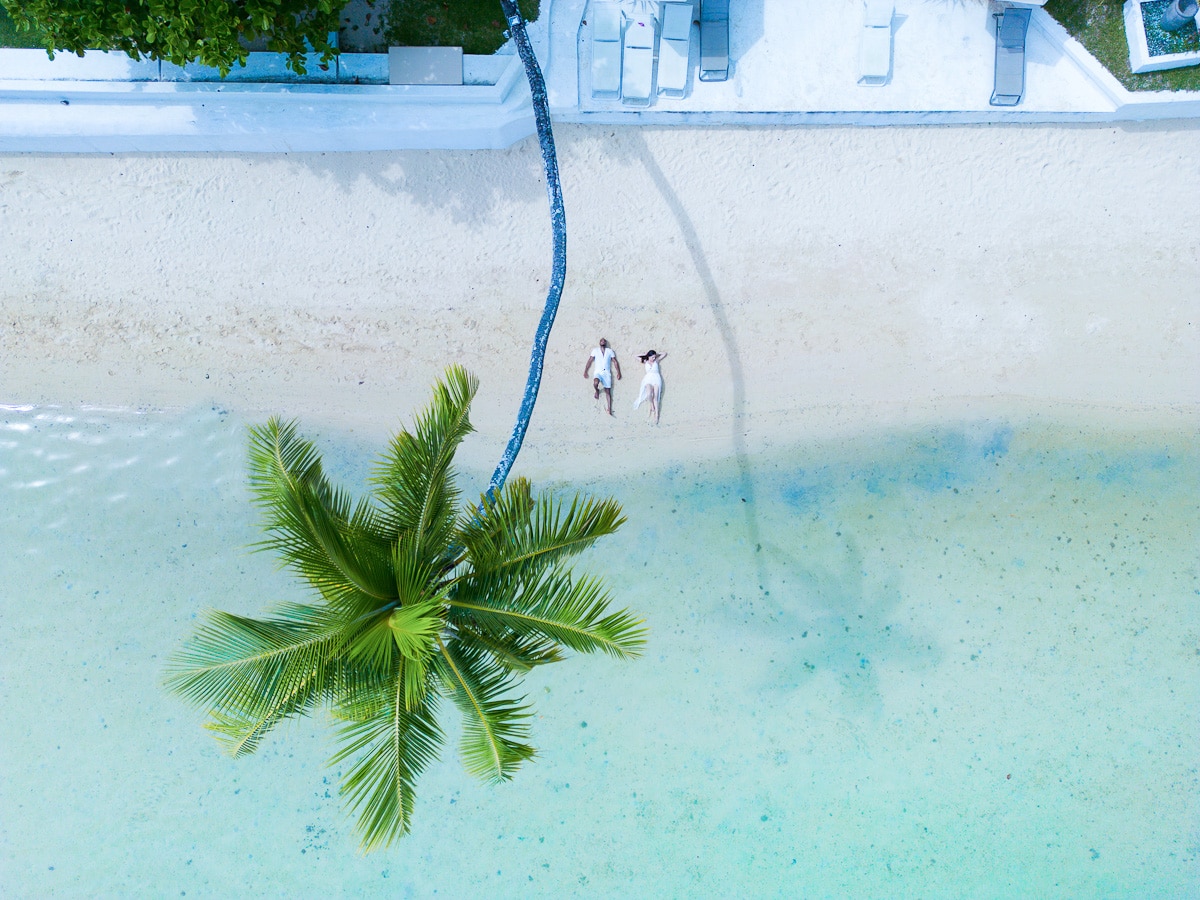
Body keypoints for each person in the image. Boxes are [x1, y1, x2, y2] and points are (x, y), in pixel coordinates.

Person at [583, 338, 621, 416]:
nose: (603, 341)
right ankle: (597, 391)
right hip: (598, 372)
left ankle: (609, 409)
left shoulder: (610, 351)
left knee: (608, 392)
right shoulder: (595, 350)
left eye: (604, 341)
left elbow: (615, 361)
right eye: (601, 340)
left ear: (606, 343)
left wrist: (618, 372)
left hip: (606, 373)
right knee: (595, 383)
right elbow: (590, 361)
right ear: (599, 342)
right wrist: (585, 371)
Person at [632, 350, 666, 424]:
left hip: (656, 378)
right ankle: (651, 405)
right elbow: (635, 356)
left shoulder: (656, 361)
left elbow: (664, 354)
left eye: (654, 357)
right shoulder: (645, 361)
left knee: (656, 397)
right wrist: (644, 354)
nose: (654, 358)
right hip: (648, 379)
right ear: (649, 356)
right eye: (652, 357)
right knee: (649, 394)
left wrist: (657, 354)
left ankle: (656, 415)